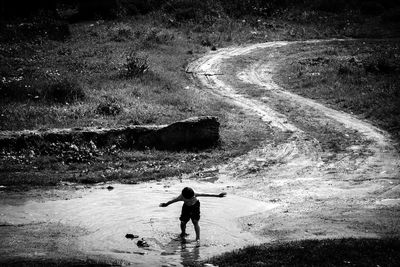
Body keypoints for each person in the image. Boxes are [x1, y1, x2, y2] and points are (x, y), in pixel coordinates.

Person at [159, 187, 227, 246]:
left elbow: (206, 194)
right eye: (189, 198)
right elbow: (172, 201)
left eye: (192, 198)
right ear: (184, 197)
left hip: (195, 206)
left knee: (195, 222)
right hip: (186, 208)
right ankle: (183, 233)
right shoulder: (181, 197)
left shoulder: (194, 194)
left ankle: (197, 238)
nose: (191, 199)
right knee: (183, 222)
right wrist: (166, 204)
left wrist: (218, 195)